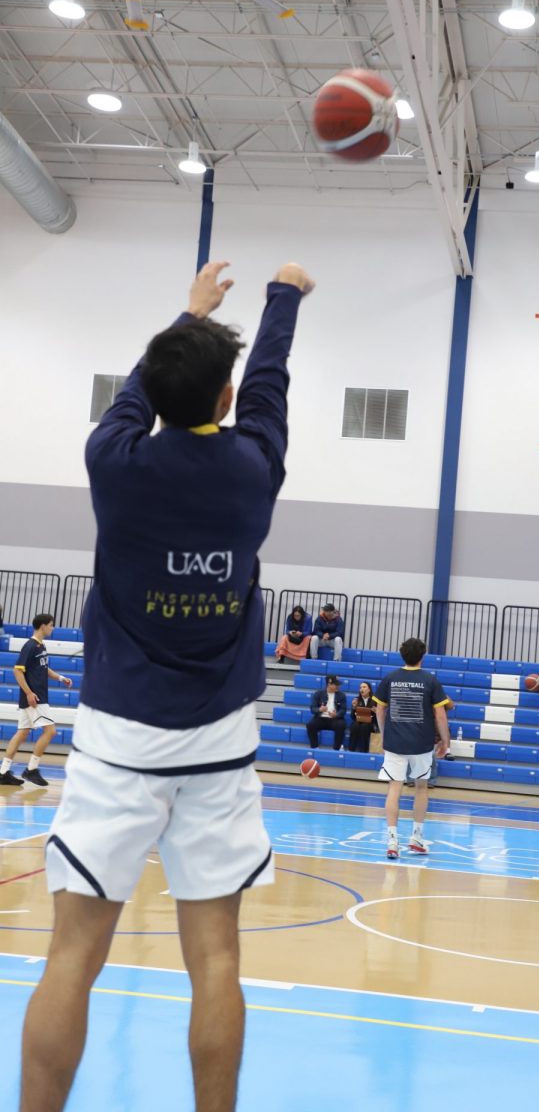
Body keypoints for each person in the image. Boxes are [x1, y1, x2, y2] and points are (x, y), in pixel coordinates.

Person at [19, 259, 314, 1112]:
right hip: (219, 744)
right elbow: (269, 384)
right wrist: (283, 298)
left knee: (72, 956)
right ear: (225, 400)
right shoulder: (254, 467)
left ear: (152, 393)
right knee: (216, 959)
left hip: (117, 740)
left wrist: (190, 314)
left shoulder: (114, 463)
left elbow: (135, 397)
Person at [374, 637, 450, 859]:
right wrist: (445, 742)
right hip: (421, 743)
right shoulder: (430, 680)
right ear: (422, 656)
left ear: (402, 655)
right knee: (421, 788)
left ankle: (392, 841)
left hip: (395, 742)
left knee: (394, 788)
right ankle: (416, 837)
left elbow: (379, 710)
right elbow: (440, 715)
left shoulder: (390, 678)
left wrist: (384, 734)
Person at [0, 613, 73, 788]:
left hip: (36, 696)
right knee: (50, 731)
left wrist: (61, 678)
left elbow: (44, 668)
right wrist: (29, 693)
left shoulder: (41, 646)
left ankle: (3, 772)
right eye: (51, 625)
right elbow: (17, 671)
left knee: (22, 733)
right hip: (35, 698)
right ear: (43, 626)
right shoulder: (30, 645)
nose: (52, 628)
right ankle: (31, 769)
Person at [306, 675, 347, 750]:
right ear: (329, 684)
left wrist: (336, 714)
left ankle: (337, 748)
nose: (338, 686)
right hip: (321, 718)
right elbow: (312, 708)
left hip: (335, 719)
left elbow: (343, 710)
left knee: (341, 725)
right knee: (310, 725)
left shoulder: (342, 695)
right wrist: (319, 710)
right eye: (336, 684)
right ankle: (314, 747)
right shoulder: (318, 693)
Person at [349, 681, 377, 752]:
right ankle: (351, 749)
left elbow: (377, 719)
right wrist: (354, 708)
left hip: (370, 723)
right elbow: (352, 717)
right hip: (358, 722)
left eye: (364, 687)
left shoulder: (374, 700)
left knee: (364, 726)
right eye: (360, 687)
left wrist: (376, 712)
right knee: (354, 725)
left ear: (369, 689)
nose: (362, 689)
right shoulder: (356, 700)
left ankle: (364, 750)